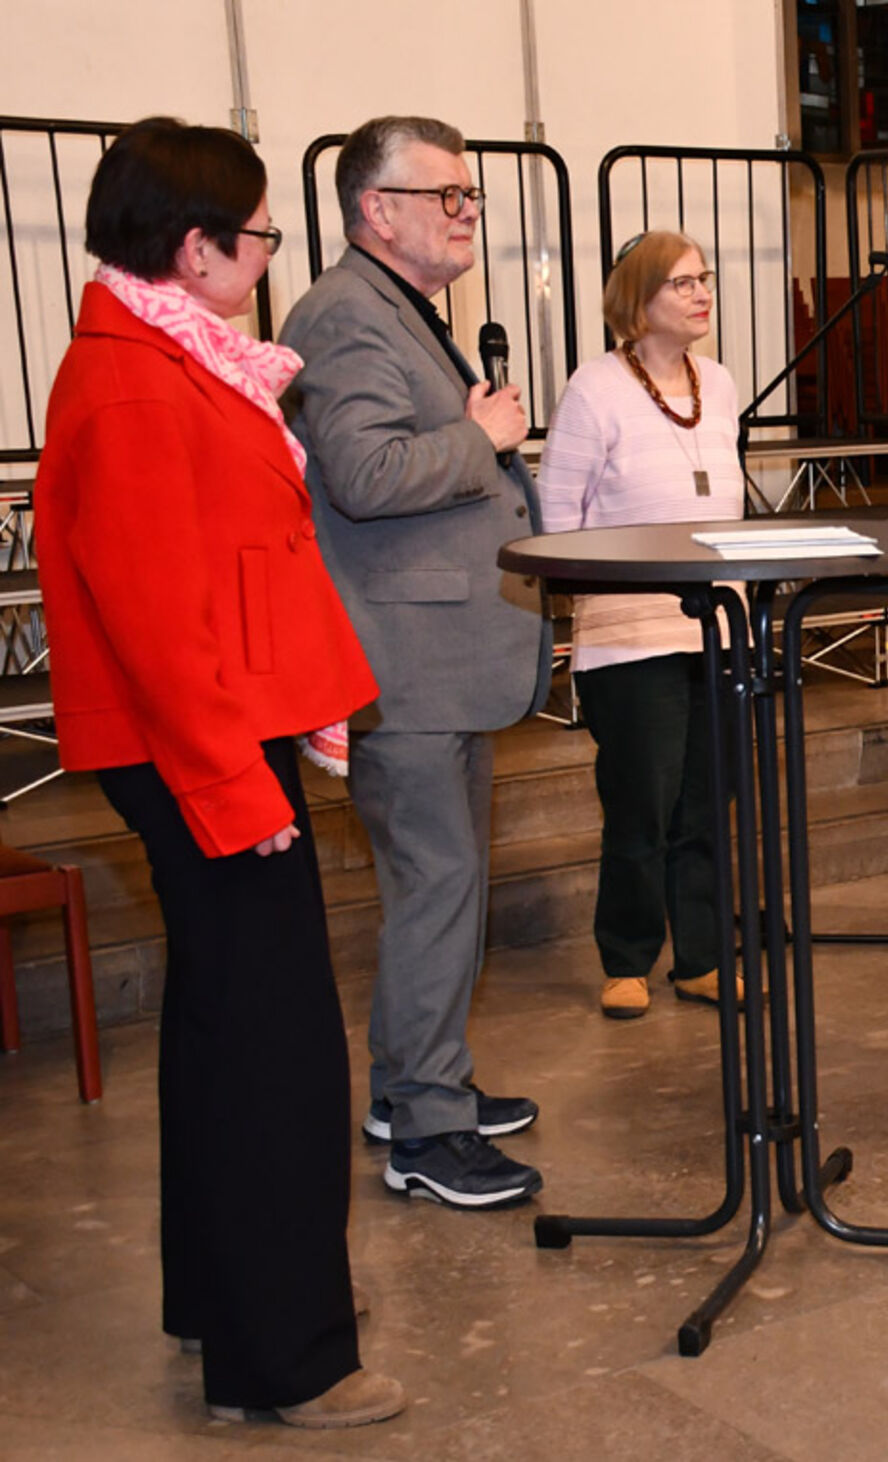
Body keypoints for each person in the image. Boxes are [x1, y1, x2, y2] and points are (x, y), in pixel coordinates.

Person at [35, 117, 402, 1428]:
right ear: (194, 249)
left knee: (220, 1031)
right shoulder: (135, 383)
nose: (266, 255)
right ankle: (288, 1357)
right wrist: (231, 787)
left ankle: (220, 1299)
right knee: (276, 1054)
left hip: (215, 733)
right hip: (199, 747)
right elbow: (154, 618)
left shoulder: (164, 355)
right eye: (258, 235)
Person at [282, 115, 551, 1209]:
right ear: (376, 210)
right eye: (446, 194)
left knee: (440, 886)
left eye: (469, 193)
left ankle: (410, 1087)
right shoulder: (345, 313)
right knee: (437, 886)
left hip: (444, 656)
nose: (466, 211)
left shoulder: (397, 308)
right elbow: (364, 474)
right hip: (405, 659)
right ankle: (429, 1136)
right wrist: (482, 439)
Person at [537, 232, 742, 1018]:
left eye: (704, 278)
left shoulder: (718, 383)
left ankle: (701, 960)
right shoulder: (594, 388)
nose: (701, 293)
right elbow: (559, 517)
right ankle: (625, 960)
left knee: (707, 804)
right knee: (640, 807)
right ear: (639, 298)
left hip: (717, 625)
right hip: (630, 632)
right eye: (682, 283)